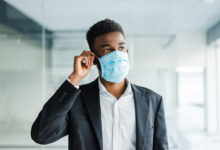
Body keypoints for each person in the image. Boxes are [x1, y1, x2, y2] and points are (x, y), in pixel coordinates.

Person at [31, 18, 169, 150]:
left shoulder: (153, 100)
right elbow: (42, 135)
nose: (117, 54)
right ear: (93, 59)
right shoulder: (77, 99)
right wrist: (75, 78)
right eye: (107, 50)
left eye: (121, 48)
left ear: (126, 52)